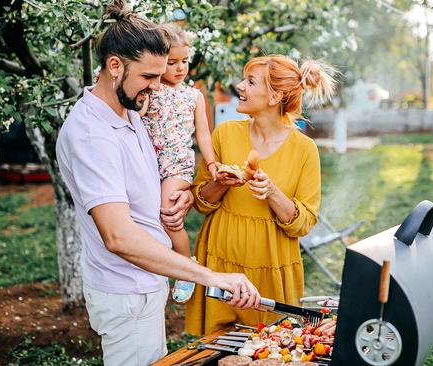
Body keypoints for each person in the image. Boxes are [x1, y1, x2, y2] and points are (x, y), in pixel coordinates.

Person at [55, 1, 260, 365]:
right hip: (125, 292)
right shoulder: (92, 134)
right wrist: (212, 277)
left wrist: (174, 200)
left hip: (147, 284)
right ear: (114, 66)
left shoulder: (128, 108)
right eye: (149, 78)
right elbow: (117, 237)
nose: (156, 88)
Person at [185, 55, 336, 335]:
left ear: (274, 96)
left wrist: (272, 193)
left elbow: (303, 223)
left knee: (268, 349)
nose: (240, 86)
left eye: (250, 82)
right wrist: (220, 183)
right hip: (219, 260)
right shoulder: (225, 134)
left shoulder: (304, 150)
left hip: (271, 267)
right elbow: (201, 203)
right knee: (217, 350)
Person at [140, 23, 218, 304]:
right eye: (172, 62)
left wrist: (211, 165)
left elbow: (203, 134)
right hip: (148, 163)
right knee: (148, 218)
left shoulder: (193, 96)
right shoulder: (150, 90)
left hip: (176, 165)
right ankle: (159, 265)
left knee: (168, 214)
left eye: (184, 61)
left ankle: (186, 268)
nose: (180, 68)